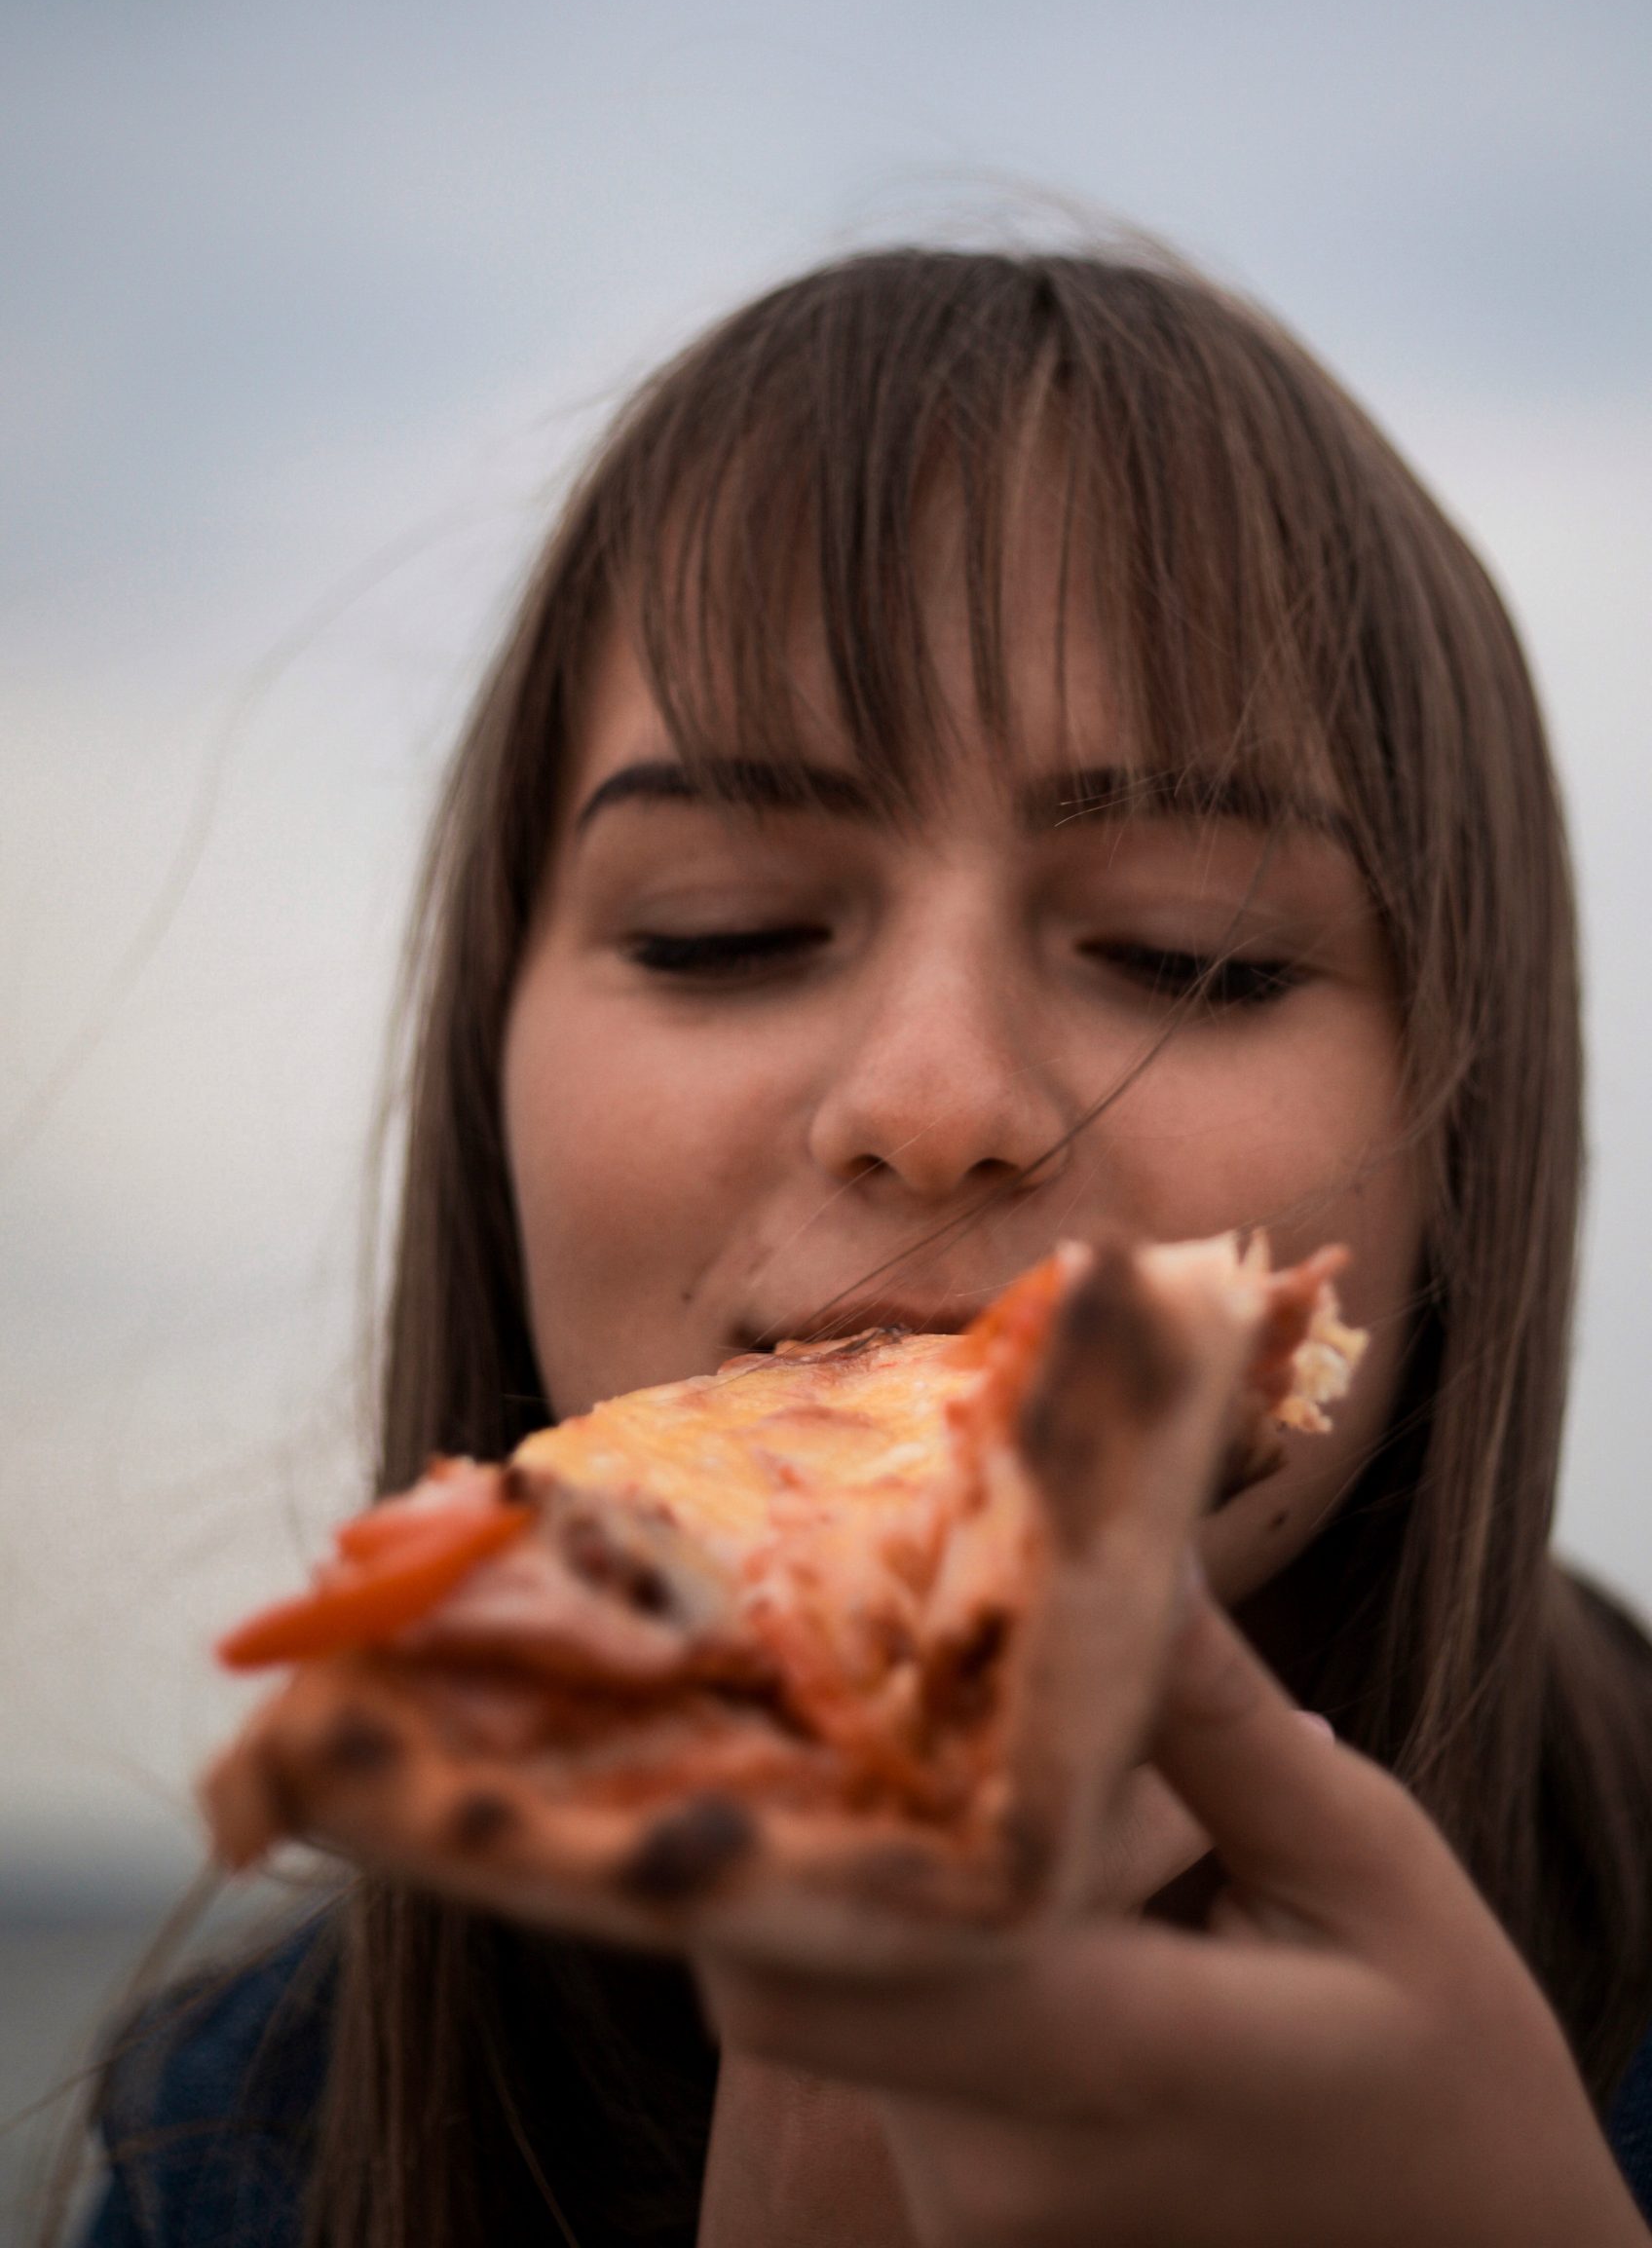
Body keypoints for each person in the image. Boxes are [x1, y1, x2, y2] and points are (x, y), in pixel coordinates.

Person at [74, 242, 1652, 2245]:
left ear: (1466, 1138)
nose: (927, 1098)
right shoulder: (236, 2137)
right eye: (719, 927)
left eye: (1191, 951)